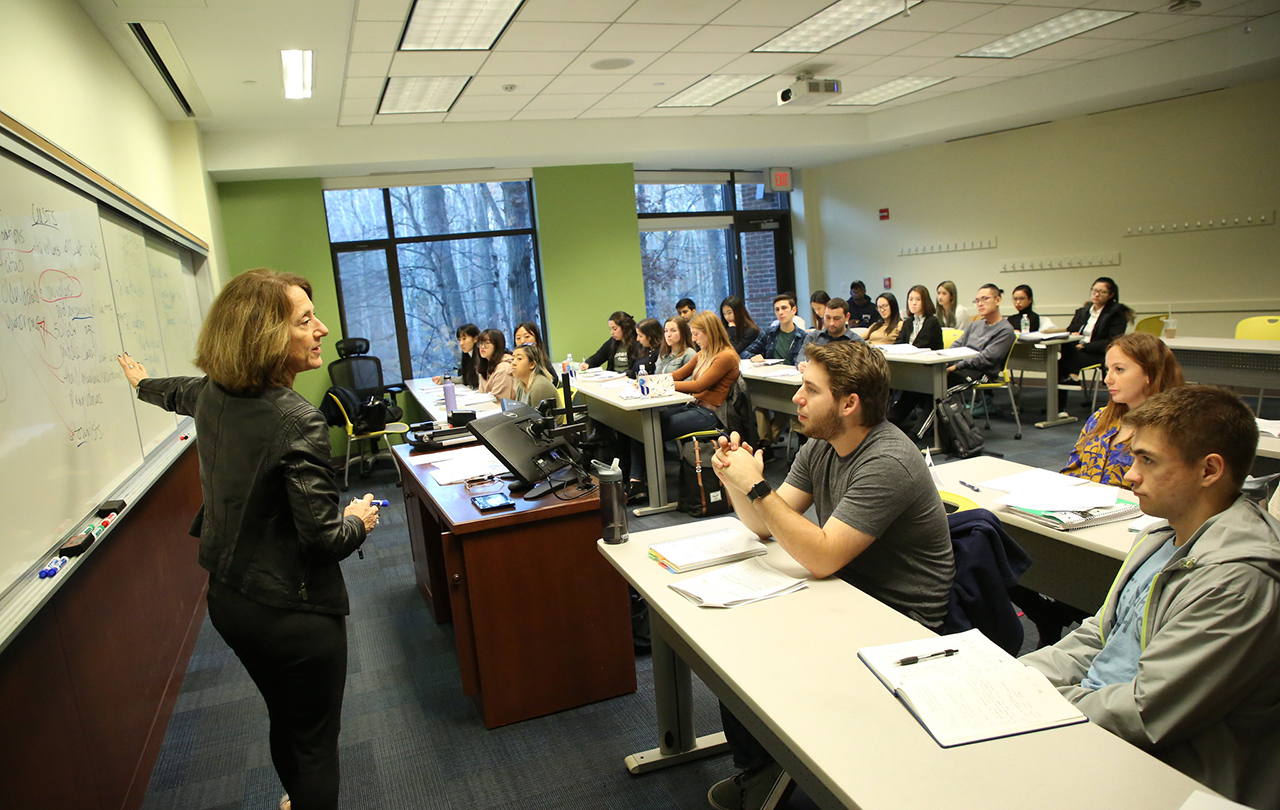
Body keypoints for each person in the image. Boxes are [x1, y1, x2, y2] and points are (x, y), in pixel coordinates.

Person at [117, 268, 379, 810]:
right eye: (306, 320)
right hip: (295, 614)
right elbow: (324, 540)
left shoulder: (214, 394)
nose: (322, 329)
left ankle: (295, 800)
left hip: (231, 602)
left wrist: (141, 384)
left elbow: (177, 392)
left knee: (285, 717)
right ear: (266, 336)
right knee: (315, 747)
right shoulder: (296, 418)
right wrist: (360, 519)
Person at [707, 340, 954, 810]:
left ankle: (778, 774)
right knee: (733, 643)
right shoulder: (821, 444)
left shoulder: (888, 460)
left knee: (758, 656)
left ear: (848, 404)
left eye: (809, 389)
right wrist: (736, 482)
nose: (797, 398)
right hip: (848, 591)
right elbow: (766, 523)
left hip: (899, 618)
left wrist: (757, 486)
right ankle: (761, 769)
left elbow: (820, 556)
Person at [1021, 386, 1280, 810]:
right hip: (1100, 717)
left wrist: (1040, 706)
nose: (1129, 475)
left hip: (1175, 768)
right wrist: (1013, 676)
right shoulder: (1161, 533)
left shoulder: (1236, 581)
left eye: (1147, 460)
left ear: (1209, 470)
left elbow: (1146, 713)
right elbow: (1099, 634)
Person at [626, 312, 740, 501]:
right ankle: (637, 481)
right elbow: (678, 375)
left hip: (712, 414)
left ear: (710, 332)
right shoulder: (704, 353)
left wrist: (657, 385)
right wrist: (651, 381)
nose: (693, 339)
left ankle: (647, 487)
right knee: (641, 424)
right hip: (695, 407)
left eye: (696, 334)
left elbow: (698, 386)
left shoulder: (726, 356)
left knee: (650, 429)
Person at [1062, 332, 1184, 486]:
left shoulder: (1172, 429)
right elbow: (1071, 472)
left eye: (1119, 369)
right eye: (1108, 369)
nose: (1107, 379)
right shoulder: (1100, 418)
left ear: (1150, 374)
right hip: (1083, 506)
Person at [742, 293, 808, 450]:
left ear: (794, 310)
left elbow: (804, 360)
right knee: (760, 403)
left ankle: (765, 444)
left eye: (784, 308)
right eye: (777, 309)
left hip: (791, 383)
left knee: (786, 406)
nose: (780, 312)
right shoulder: (770, 333)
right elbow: (745, 353)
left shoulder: (803, 336)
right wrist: (754, 357)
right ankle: (765, 442)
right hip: (770, 379)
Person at [1060, 276, 1131, 383]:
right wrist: (1073, 333)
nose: (1097, 294)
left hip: (1097, 352)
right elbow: (1070, 329)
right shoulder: (1083, 311)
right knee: (1059, 362)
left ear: (1111, 295)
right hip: (1075, 350)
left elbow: (1112, 340)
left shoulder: (1116, 314)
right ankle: (1068, 384)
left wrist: (1085, 346)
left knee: (1062, 364)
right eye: (1095, 291)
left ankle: (1072, 379)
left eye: (1102, 292)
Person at [797, 297, 861, 373]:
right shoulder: (813, 337)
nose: (831, 323)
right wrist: (801, 364)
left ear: (847, 317)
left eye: (836, 318)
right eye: (827, 318)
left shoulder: (857, 342)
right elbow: (800, 357)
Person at [432, 323, 480, 387]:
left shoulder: (483, 357)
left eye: (464, 338)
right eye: (459, 340)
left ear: (475, 339)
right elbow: (466, 379)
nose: (461, 343)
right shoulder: (468, 356)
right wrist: (444, 379)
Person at [896, 285, 943, 350]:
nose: (914, 303)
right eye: (911, 299)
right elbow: (899, 343)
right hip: (908, 357)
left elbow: (922, 344)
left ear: (925, 301)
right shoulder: (908, 322)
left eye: (918, 299)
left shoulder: (932, 321)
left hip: (927, 357)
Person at [511, 343, 558, 409]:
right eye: (512, 359)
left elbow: (538, 418)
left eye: (519, 358)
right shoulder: (521, 385)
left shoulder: (539, 386)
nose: (513, 363)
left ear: (532, 364)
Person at [476, 328, 515, 400]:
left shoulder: (504, 368)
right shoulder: (485, 365)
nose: (482, 347)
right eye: (480, 343)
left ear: (497, 345)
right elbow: (481, 394)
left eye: (487, 343)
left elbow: (500, 400)